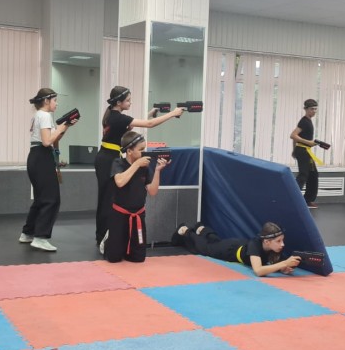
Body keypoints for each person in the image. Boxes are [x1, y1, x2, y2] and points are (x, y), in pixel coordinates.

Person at [95, 86, 184, 252]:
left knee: (106, 198)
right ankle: (104, 238)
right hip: (108, 158)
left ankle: (104, 236)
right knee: (108, 200)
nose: (130, 103)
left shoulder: (112, 115)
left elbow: (136, 125)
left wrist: (151, 113)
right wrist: (173, 114)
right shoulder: (117, 117)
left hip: (106, 156)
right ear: (119, 102)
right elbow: (149, 124)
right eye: (128, 100)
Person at [19, 88, 78, 252]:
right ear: (46, 101)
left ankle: (28, 233)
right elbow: (46, 142)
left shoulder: (39, 115)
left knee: (41, 199)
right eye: (55, 100)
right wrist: (61, 127)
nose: (56, 104)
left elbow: (53, 139)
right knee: (51, 199)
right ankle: (40, 237)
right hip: (41, 157)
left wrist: (66, 126)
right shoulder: (44, 116)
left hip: (37, 157)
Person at [103, 131, 169, 263]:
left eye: (144, 149)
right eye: (141, 149)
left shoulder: (145, 167)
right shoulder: (118, 163)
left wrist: (157, 170)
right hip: (119, 215)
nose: (144, 152)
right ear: (129, 151)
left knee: (138, 258)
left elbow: (152, 191)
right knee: (114, 258)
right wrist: (136, 164)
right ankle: (107, 241)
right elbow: (120, 182)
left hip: (138, 215)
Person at [171, 222, 301, 277]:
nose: (282, 244)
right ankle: (187, 231)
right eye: (278, 241)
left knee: (216, 242)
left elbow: (271, 263)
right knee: (206, 249)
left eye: (282, 240)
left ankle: (203, 229)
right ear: (267, 241)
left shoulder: (274, 249)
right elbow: (258, 271)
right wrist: (284, 263)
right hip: (230, 250)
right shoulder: (255, 245)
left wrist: (282, 269)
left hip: (239, 244)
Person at [290, 99, 320, 209]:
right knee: (303, 175)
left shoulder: (308, 121)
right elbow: (293, 135)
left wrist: (294, 150)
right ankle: (292, 199)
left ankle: (308, 200)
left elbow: (296, 137)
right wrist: (309, 142)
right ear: (306, 109)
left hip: (304, 150)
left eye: (315, 109)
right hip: (303, 151)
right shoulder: (304, 121)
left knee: (313, 175)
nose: (314, 111)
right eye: (312, 109)